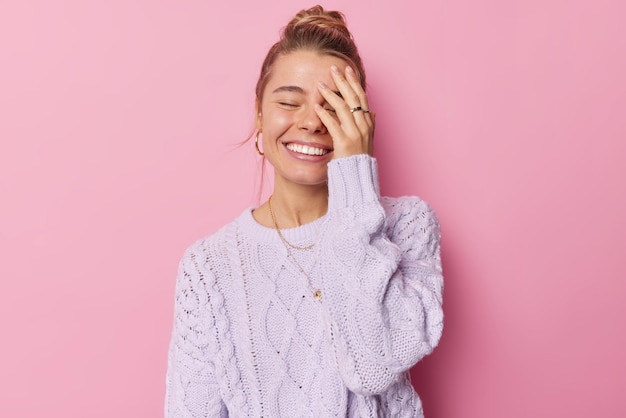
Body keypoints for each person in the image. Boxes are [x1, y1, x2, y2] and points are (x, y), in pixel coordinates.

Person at [165, 5, 443, 417]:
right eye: (289, 102)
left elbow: (371, 367)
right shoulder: (208, 267)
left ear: (362, 122)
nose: (312, 122)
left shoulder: (407, 226)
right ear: (259, 113)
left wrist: (355, 179)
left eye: (334, 106)